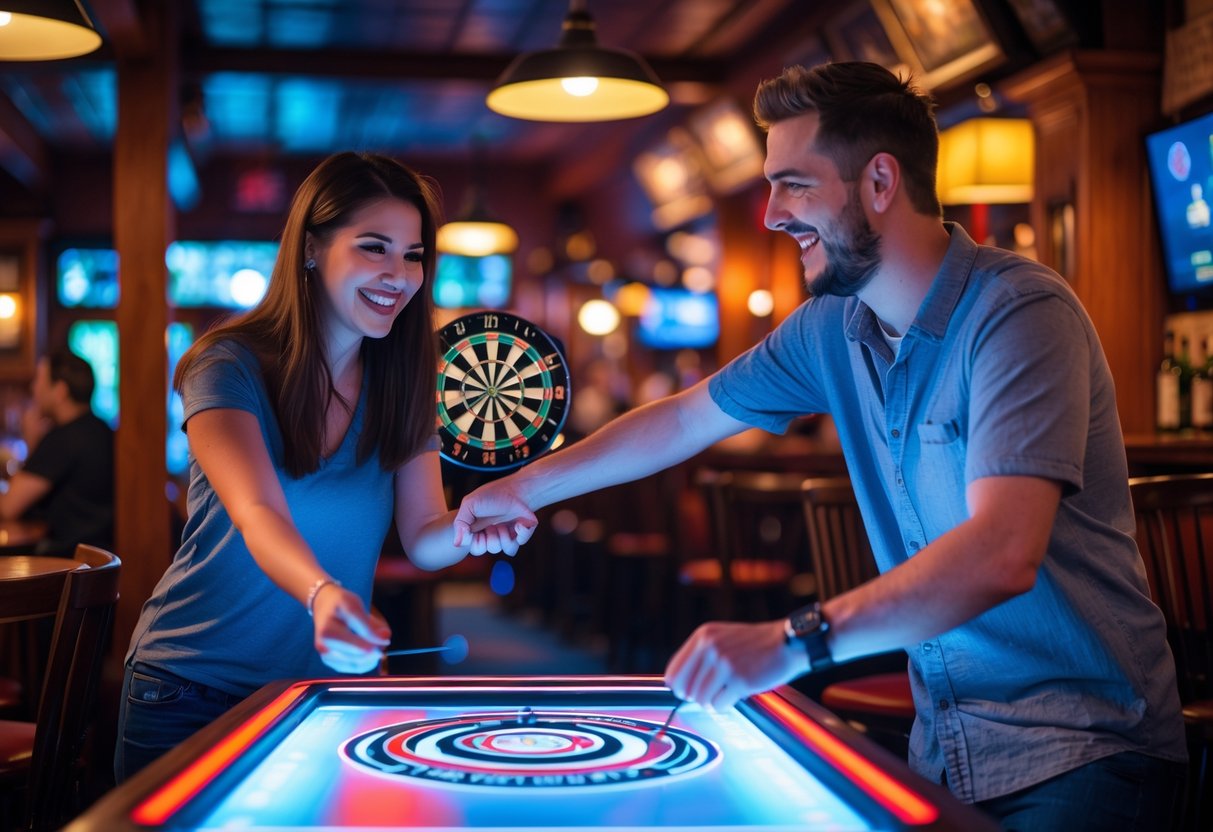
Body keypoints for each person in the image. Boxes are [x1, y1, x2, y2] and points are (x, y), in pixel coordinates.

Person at [454, 63, 1188, 829]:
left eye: (793, 185)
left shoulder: (1018, 312)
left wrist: (789, 642)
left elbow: (1002, 552)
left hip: (1088, 750)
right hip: (946, 748)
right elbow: (680, 419)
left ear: (878, 182)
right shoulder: (831, 328)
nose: (770, 215)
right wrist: (523, 487)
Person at [115, 152, 525, 782]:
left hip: (321, 690)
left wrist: (471, 524)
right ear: (311, 248)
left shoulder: (406, 380)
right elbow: (257, 514)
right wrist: (323, 591)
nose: (400, 274)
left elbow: (423, 537)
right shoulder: (227, 364)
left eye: (414, 255)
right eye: (373, 247)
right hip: (191, 686)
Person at [0, 350, 114, 556]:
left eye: (39, 381)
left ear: (60, 390)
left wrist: (31, 441)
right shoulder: (102, 429)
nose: (34, 389)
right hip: (100, 559)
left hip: (65, 562)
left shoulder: (63, 438)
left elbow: (9, 507)